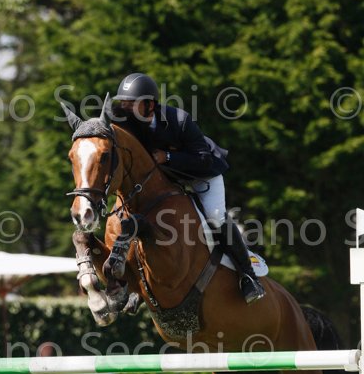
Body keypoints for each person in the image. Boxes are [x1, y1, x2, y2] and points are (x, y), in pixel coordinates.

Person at [112, 72, 265, 305]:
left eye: (130, 103)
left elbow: (203, 159)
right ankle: (140, 285)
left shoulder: (179, 120)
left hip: (202, 174)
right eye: (123, 103)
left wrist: (167, 157)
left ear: (149, 105)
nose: (125, 108)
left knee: (215, 217)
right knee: (146, 219)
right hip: (170, 180)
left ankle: (248, 276)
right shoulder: (131, 125)